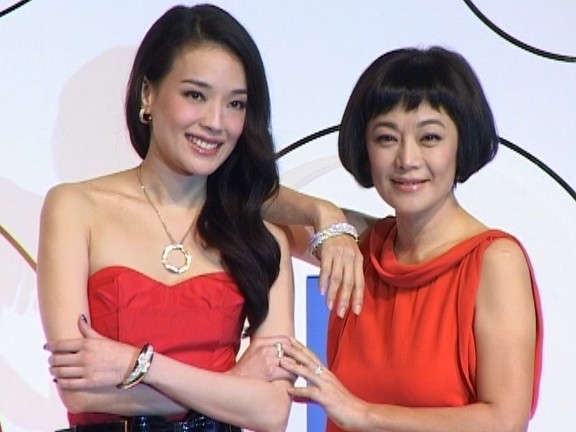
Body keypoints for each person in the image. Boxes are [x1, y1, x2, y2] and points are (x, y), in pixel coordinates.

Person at [36, 4, 359, 431]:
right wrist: (233, 384)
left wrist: (139, 365)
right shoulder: (75, 208)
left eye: (235, 104)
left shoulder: (262, 237)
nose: (215, 122)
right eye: (195, 95)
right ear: (148, 94)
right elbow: (80, 390)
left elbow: (270, 411)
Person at [267, 47, 543, 431]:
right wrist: (323, 214)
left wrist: (362, 414)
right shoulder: (361, 245)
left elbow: (505, 422)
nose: (407, 159)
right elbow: (245, 199)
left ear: (462, 143)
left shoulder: (495, 261)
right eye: (386, 138)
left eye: (429, 137)